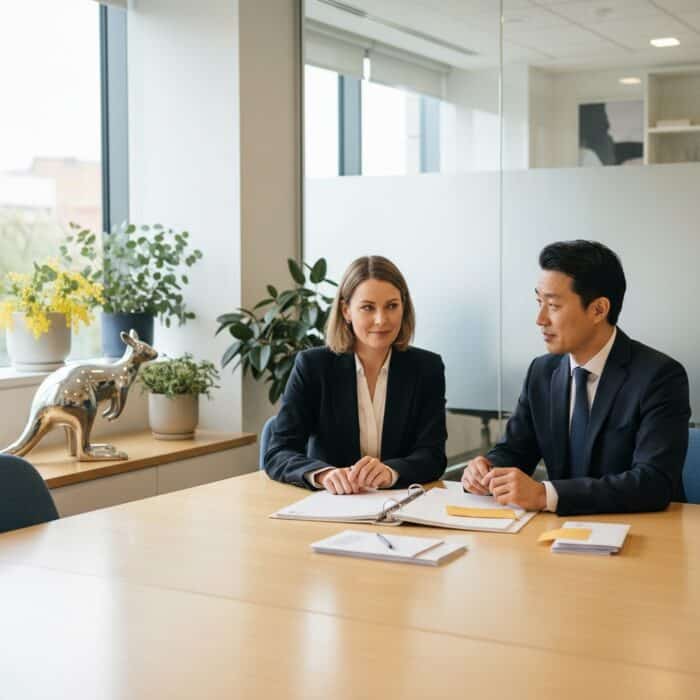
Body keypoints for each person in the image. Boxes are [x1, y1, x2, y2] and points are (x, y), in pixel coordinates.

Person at [462, 240, 690, 515]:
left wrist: (545, 495)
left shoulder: (659, 377)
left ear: (598, 310)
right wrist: (487, 469)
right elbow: (515, 451)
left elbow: (654, 483)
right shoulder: (542, 372)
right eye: (539, 302)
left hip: (641, 535)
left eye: (553, 306)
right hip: (558, 535)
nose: (540, 319)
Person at [265, 255, 447, 493]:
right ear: (346, 311)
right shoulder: (313, 366)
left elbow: (432, 456)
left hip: (397, 506)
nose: (381, 320)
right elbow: (279, 452)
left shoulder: (426, 368)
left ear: (404, 307)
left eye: (392, 306)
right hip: (331, 506)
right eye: (367, 307)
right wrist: (324, 475)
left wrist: (391, 472)